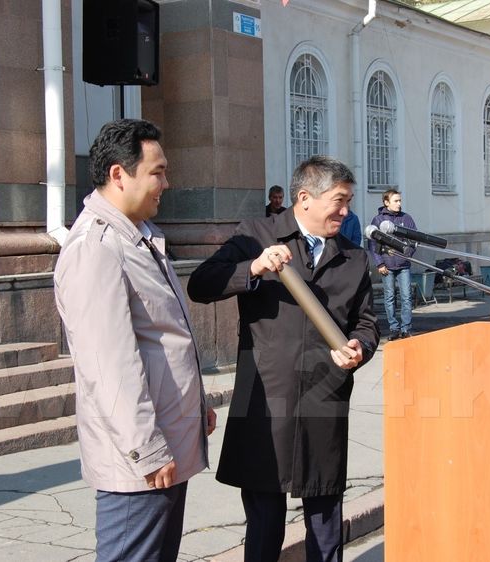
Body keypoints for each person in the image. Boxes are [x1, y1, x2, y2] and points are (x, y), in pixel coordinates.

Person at [188, 156, 379, 562]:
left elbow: (366, 323)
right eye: (340, 201)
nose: (346, 212)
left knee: (325, 522)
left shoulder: (354, 258)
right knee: (264, 524)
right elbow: (201, 285)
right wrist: (254, 267)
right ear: (305, 198)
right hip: (265, 401)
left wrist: (360, 347)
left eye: (348, 201)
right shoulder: (256, 236)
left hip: (324, 399)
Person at [54, 119, 216, 561]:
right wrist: (146, 449)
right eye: (157, 172)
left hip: (166, 441)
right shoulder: (96, 248)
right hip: (138, 462)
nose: (166, 183)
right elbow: (108, 367)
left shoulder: (138, 236)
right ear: (118, 175)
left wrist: (195, 404)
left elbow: (161, 337)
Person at [369, 189, 417, 339]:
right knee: (389, 297)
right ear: (386, 202)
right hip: (387, 266)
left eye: (400, 200)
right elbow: (373, 244)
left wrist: (407, 255)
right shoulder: (378, 220)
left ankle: (406, 328)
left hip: (404, 266)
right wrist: (379, 263)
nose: (399, 203)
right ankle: (394, 328)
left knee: (406, 297)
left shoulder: (406, 218)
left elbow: (414, 239)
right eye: (396, 201)